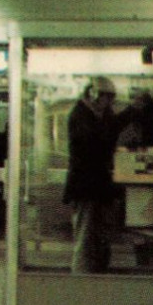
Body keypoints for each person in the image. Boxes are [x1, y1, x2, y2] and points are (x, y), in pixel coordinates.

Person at [63, 75, 125, 273]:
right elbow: (98, 141)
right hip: (86, 188)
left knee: (98, 237)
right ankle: (82, 279)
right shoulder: (81, 116)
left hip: (98, 188)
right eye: (106, 99)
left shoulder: (97, 116)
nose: (108, 105)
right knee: (86, 236)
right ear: (94, 95)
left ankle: (96, 275)